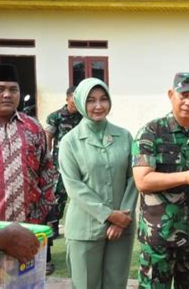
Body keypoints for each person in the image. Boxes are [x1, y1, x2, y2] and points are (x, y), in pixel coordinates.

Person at [132, 72, 189, 288]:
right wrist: (186, 176)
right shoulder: (151, 132)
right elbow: (142, 181)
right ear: (171, 94)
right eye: (184, 95)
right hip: (159, 239)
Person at [58, 78, 137, 289]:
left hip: (122, 228)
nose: (98, 106)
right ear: (81, 102)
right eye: (91, 100)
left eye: (103, 99)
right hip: (84, 229)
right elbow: (74, 186)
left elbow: (134, 178)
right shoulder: (69, 142)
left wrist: (123, 217)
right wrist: (110, 215)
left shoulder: (125, 136)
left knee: (115, 284)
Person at [0, 64, 56, 223]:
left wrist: (42, 214)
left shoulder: (33, 127)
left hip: (29, 229)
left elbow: (46, 171)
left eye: (13, 90)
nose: (7, 95)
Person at [45, 85, 82, 236]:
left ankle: (79, 225)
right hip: (59, 163)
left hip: (80, 161)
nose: (76, 105)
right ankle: (53, 225)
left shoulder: (84, 116)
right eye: (73, 102)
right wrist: (47, 157)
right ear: (67, 99)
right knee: (57, 194)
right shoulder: (55, 117)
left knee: (80, 193)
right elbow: (48, 137)